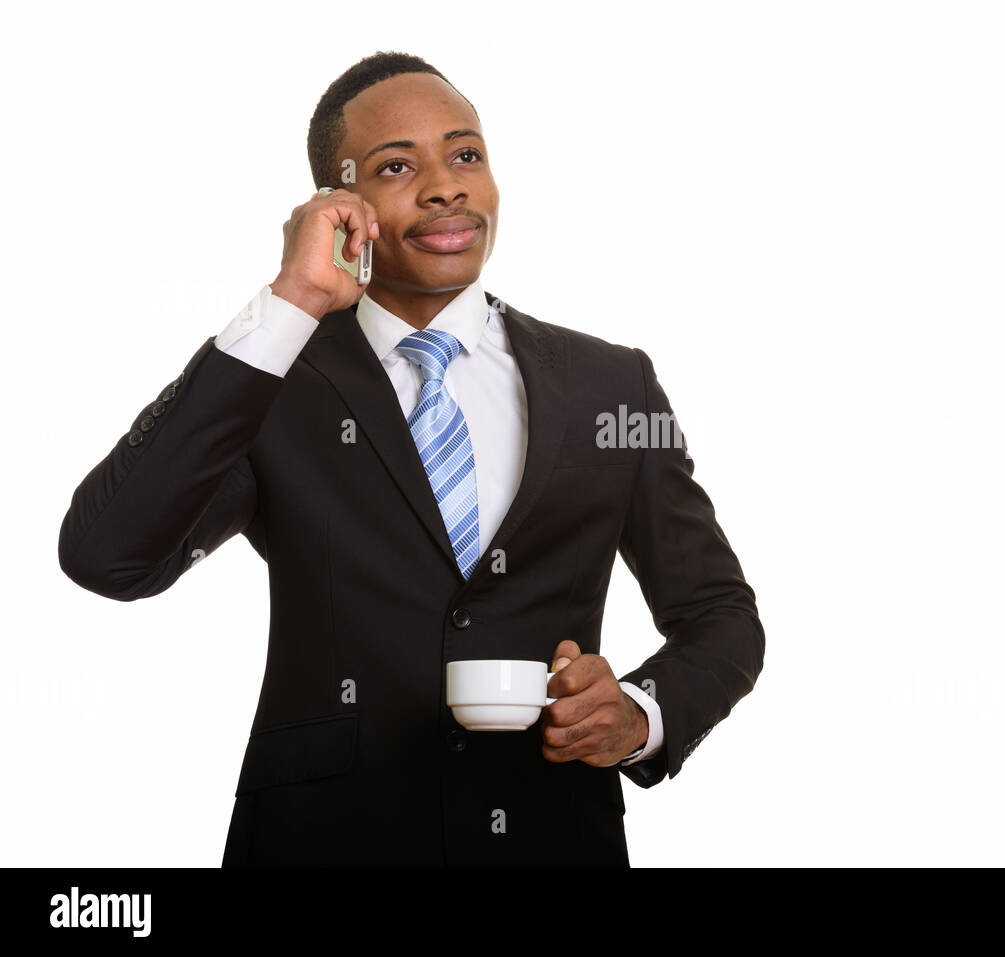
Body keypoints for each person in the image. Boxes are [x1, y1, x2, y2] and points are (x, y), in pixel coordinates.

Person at [57, 50, 764, 867]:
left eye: (466, 154)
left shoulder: (614, 385)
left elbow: (721, 615)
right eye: (398, 166)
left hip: (552, 839)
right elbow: (107, 555)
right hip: (324, 847)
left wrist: (639, 714)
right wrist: (292, 303)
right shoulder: (274, 381)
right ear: (338, 204)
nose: (445, 185)